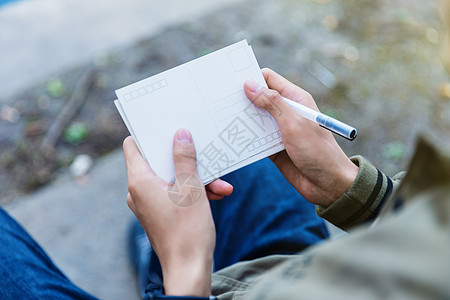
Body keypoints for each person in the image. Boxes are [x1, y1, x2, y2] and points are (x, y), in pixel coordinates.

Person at [0, 69, 449, 299]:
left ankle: (155, 261)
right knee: (236, 151)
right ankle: (152, 254)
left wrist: (186, 264)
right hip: (290, 279)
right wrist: (354, 189)